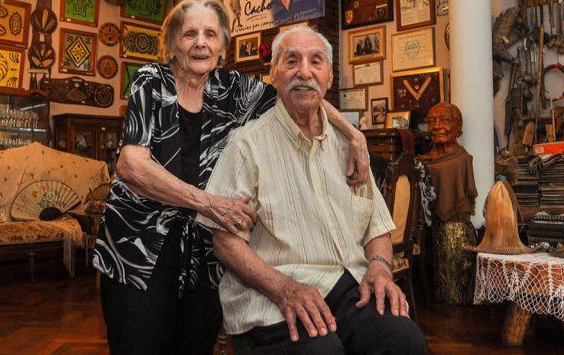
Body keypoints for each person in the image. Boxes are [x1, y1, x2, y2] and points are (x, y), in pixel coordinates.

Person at [92, 0, 371, 355]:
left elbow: (301, 90)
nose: (200, 43)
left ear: (223, 46)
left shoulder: (233, 90)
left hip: (203, 255)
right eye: (189, 33)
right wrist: (209, 203)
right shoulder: (152, 81)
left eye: (211, 34)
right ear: (173, 43)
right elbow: (131, 165)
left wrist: (353, 135)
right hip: (140, 249)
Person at [196, 27, 427, 355]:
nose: (304, 71)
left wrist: (378, 266)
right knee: (321, 351)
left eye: (315, 61)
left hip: (349, 286)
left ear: (329, 78)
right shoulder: (247, 145)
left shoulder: (350, 146)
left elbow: (377, 227)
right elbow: (225, 242)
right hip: (273, 292)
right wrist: (284, 289)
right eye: (292, 61)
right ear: (273, 74)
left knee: (405, 341)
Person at [418, 103, 477, 305]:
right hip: (426, 230)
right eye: (432, 121)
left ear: (458, 126)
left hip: (455, 230)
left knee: (453, 292)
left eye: (444, 120)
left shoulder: (461, 159)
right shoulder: (421, 161)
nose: (436, 125)